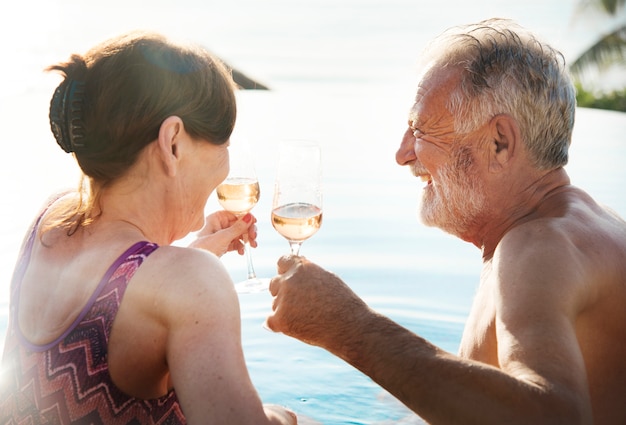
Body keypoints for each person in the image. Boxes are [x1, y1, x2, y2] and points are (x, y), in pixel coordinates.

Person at [265, 18, 626, 425]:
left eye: (420, 129)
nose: (402, 154)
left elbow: (555, 416)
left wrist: (348, 326)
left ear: (499, 143)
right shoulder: (589, 224)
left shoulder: (537, 246)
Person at [0, 31, 297, 424]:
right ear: (173, 141)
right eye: (223, 144)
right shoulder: (191, 282)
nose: (228, 164)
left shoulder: (51, 221)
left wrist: (192, 256)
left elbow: (115, 297)